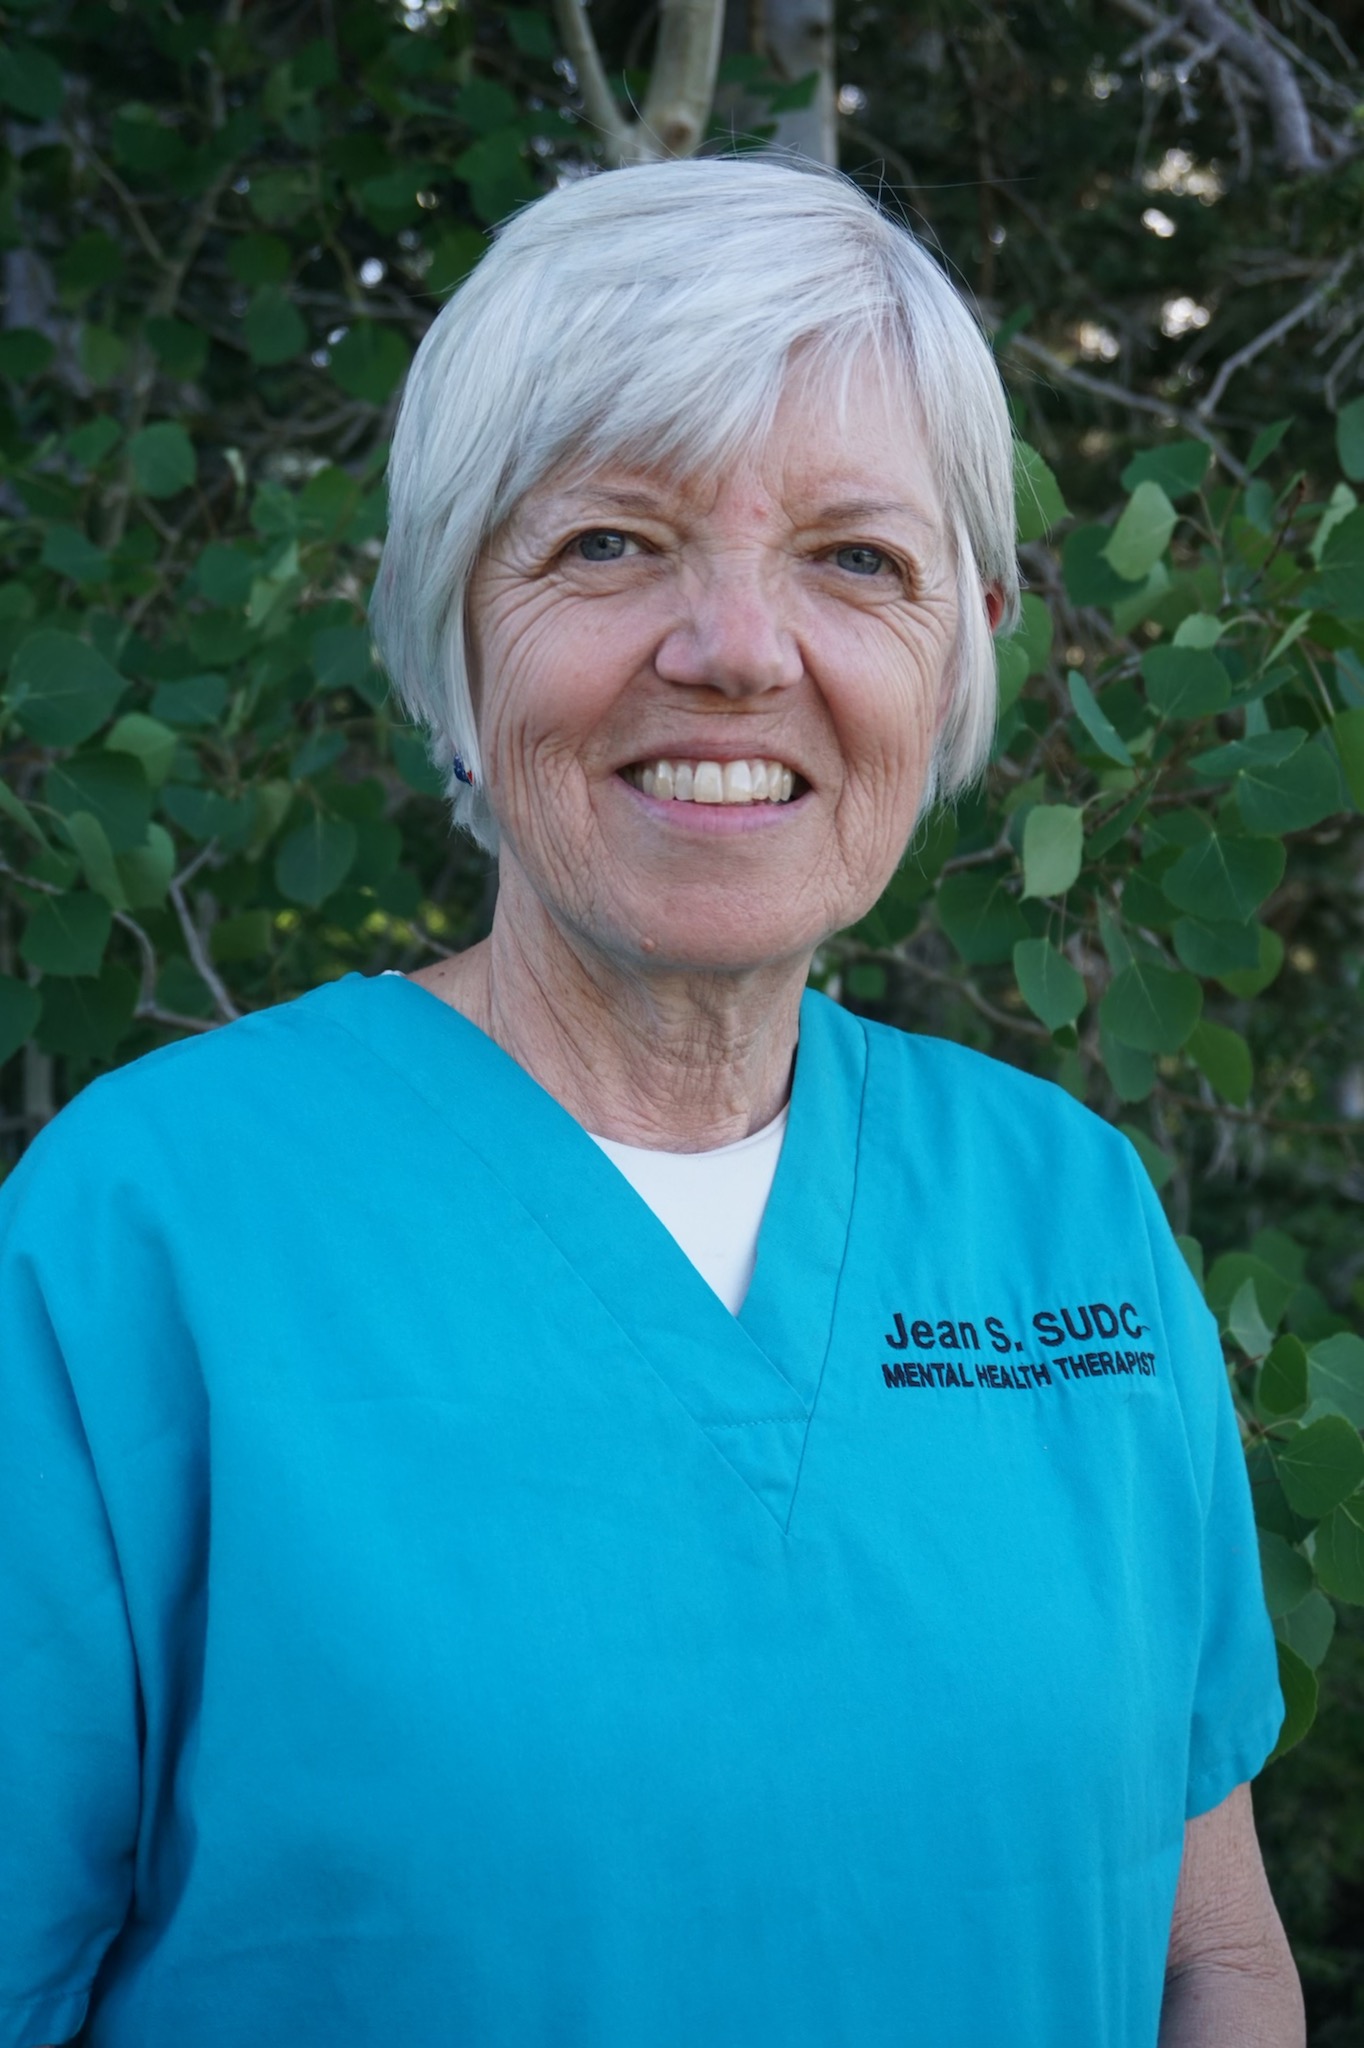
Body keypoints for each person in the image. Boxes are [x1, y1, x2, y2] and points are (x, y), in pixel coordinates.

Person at [0, 158, 1301, 2048]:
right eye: (611, 542)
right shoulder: (140, 1234)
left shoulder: (1069, 1216)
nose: (738, 649)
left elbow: (1212, 1959)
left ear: (961, 648)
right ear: (455, 620)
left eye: (857, 559)